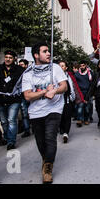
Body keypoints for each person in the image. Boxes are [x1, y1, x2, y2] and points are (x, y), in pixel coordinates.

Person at [21, 42, 67, 184]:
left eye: (48, 51)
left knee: (50, 138)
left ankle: (47, 168)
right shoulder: (28, 73)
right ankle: (46, 158)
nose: (48, 54)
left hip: (54, 109)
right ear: (36, 55)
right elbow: (27, 96)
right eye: (45, 51)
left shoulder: (55, 68)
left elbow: (64, 86)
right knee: (40, 142)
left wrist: (55, 91)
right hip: (36, 112)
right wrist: (45, 91)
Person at [0, 50, 24, 150]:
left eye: (10, 58)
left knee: (11, 120)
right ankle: (7, 137)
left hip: (14, 99)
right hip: (1, 99)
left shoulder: (19, 70)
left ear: (14, 59)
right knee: (3, 121)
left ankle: (11, 141)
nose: (8, 59)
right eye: (6, 57)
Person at [58, 61, 80, 143]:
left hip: (67, 99)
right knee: (61, 116)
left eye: (62, 66)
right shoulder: (54, 76)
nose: (61, 67)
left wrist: (72, 97)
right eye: (59, 66)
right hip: (57, 100)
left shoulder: (69, 76)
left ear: (66, 68)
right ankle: (62, 128)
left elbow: (73, 87)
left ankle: (66, 133)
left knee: (67, 116)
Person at [74, 61, 93, 127]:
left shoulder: (90, 73)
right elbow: (75, 84)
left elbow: (92, 84)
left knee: (87, 107)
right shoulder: (76, 74)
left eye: (83, 65)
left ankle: (86, 119)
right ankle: (79, 119)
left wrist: (90, 93)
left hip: (88, 92)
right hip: (80, 92)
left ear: (86, 66)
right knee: (80, 106)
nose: (82, 67)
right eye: (81, 66)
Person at [18, 59, 31, 138]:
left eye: (22, 65)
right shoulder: (18, 74)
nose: (20, 66)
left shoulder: (30, 73)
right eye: (19, 65)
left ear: (26, 65)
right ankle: (27, 130)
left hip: (31, 96)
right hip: (23, 96)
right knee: (24, 114)